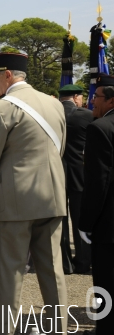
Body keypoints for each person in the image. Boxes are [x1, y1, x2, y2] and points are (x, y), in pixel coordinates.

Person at [0, 52, 67, 334]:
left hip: (14, 201)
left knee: (8, 274)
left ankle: (4, 330)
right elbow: (57, 149)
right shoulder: (55, 105)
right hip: (51, 196)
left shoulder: (1, 108)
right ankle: (58, 328)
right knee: (53, 271)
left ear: (8, 76)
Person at [79, 74, 114, 334]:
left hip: (108, 225)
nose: (92, 101)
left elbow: (97, 182)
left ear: (111, 100)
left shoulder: (100, 128)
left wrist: (86, 223)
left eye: (97, 97)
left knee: (105, 283)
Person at [59, 84, 93, 275]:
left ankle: (64, 262)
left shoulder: (52, 114)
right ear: (76, 97)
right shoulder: (86, 116)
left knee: (60, 221)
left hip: (56, 175)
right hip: (80, 174)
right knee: (81, 221)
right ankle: (83, 260)